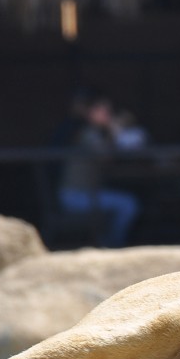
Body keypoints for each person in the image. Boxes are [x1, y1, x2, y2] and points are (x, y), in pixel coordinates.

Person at [59, 94, 139, 247]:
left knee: (126, 201)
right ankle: (113, 246)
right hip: (75, 196)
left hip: (87, 193)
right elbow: (105, 157)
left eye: (109, 111)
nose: (107, 115)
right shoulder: (87, 134)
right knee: (128, 204)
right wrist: (114, 130)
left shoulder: (95, 133)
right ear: (91, 113)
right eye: (102, 111)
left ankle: (109, 243)